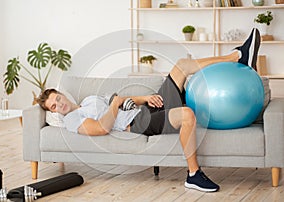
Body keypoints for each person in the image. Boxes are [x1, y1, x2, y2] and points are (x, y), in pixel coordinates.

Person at [37, 28, 261, 192]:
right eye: (54, 107)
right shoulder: (71, 120)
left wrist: (145, 98)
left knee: (182, 65)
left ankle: (239, 56)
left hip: (143, 110)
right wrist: (115, 104)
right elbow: (101, 128)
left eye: (57, 99)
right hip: (139, 124)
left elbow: (120, 99)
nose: (59, 105)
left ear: (61, 94)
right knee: (187, 116)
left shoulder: (87, 101)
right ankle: (193, 175)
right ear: (55, 112)